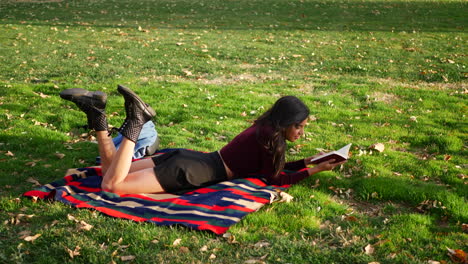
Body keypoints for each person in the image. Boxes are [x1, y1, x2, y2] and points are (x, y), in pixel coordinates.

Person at [60, 85, 346, 194]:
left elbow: (273, 168)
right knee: (111, 186)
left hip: (190, 158)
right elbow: (275, 178)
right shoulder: (273, 140)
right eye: (299, 126)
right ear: (286, 122)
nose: (301, 133)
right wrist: (316, 169)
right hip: (190, 172)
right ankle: (136, 122)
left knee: (110, 172)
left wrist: (308, 161)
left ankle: (97, 116)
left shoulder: (264, 128)